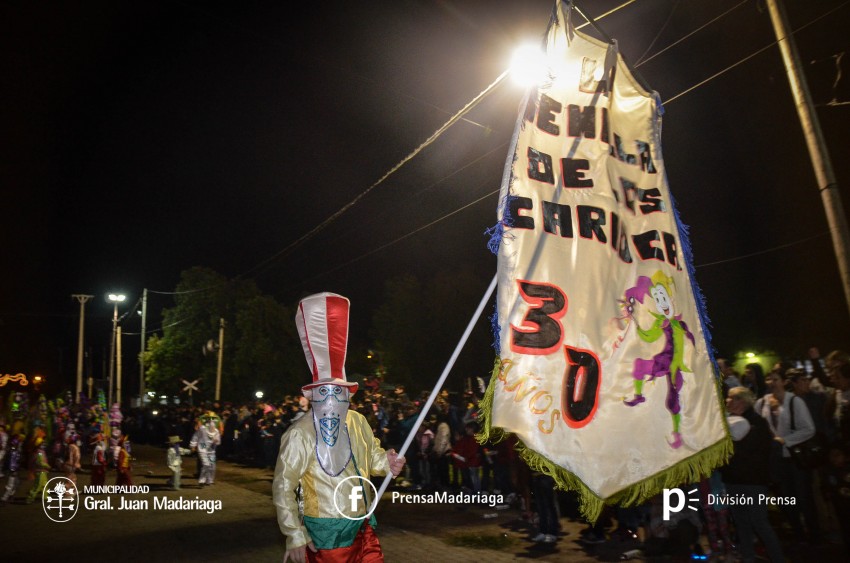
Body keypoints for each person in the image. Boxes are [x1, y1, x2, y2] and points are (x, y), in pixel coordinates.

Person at [272, 293, 405, 563]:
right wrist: (294, 533)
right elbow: (283, 485)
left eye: (339, 391)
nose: (332, 398)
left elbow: (372, 458)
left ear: (349, 394)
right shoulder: (299, 433)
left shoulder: (358, 422)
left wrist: (388, 462)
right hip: (326, 533)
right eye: (324, 390)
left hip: (363, 523)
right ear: (312, 395)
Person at [754, 369, 820, 544]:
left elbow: (808, 429)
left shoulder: (794, 401)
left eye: (775, 379)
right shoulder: (762, 403)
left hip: (795, 458)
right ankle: (797, 531)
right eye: (769, 379)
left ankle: (814, 534)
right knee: (785, 497)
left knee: (803, 496)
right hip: (775, 459)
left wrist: (784, 440)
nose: (771, 382)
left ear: (783, 381)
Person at [721, 387, 784, 562]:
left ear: (741, 401)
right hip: (734, 480)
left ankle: (778, 558)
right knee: (741, 523)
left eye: (731, 398)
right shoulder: (729, 421)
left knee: (759, 523)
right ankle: (748, 557)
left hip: (752, 482)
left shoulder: (757, 423)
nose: (727, 401)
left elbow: (748, 452)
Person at [190, 412, 221, 486]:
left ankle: (209, 480)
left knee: (212, 465)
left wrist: (216, 441)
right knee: (206, 464)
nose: (211, 423)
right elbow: (195, 437)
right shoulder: (202, 429)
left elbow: (218, 441)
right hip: (203, 447)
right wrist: (193, 446)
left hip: (211, 450)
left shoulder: (216, 431)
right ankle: (202, 480)